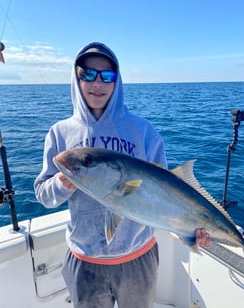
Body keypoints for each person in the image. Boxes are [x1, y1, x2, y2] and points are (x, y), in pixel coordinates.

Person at [34, 42, 210, 308]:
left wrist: (189, 230)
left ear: (117, 80)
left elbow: (166, 194)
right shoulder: (60, 133)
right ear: (76, 76)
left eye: (107, 75)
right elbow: (43, 196)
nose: (98, 83)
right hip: (84, 260)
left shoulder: (143, 131)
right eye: (88, 74)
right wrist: (62, 183)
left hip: (138, 258)